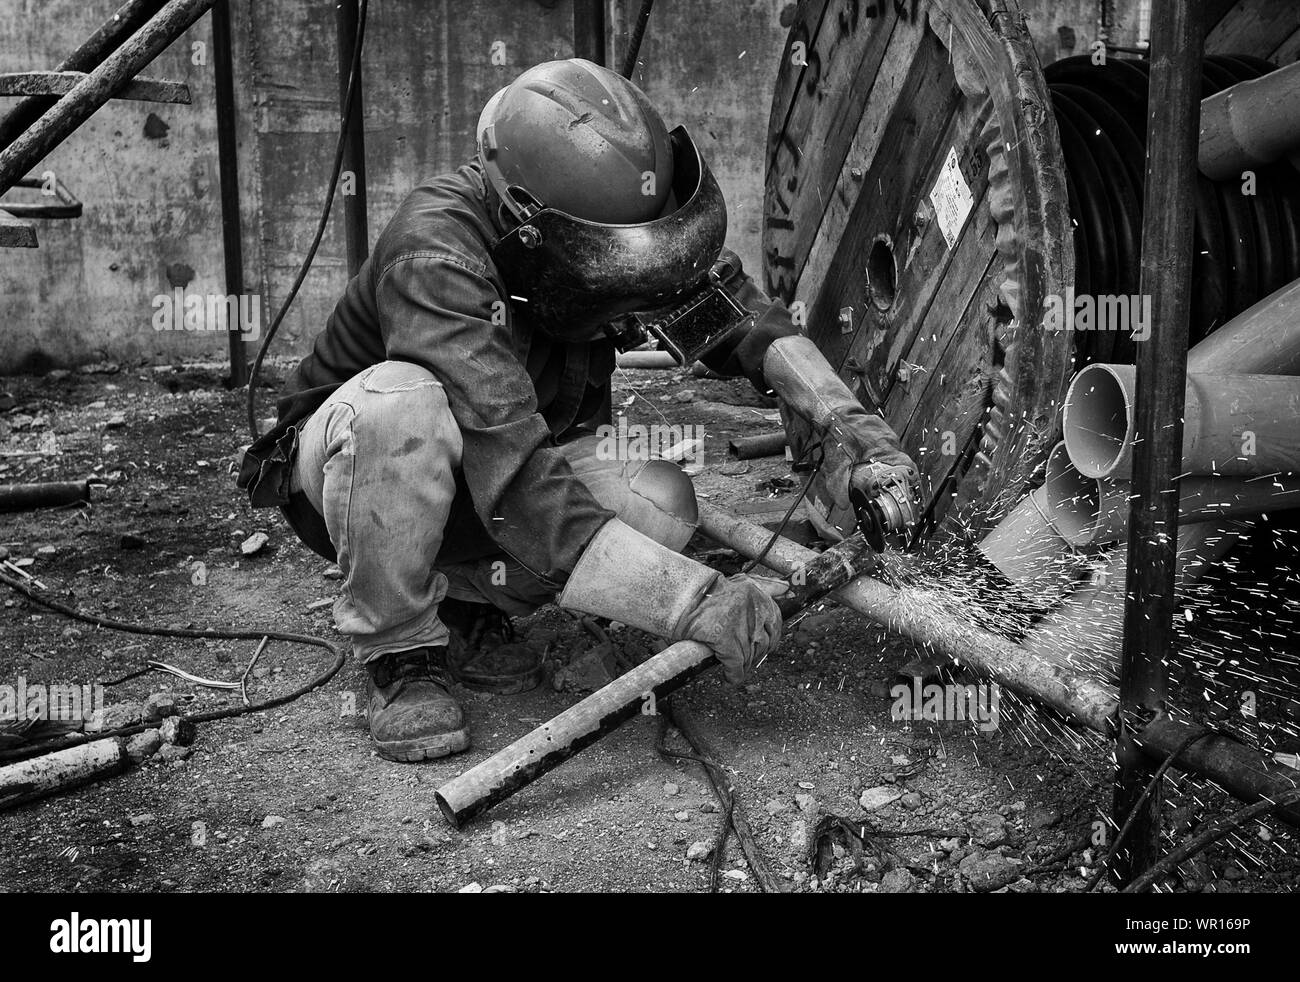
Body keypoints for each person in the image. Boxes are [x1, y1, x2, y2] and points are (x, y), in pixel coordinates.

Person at [238, 58, 917, 762]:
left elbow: (740, 319)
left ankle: (472, 603)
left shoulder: (623, 222)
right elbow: (518, 470)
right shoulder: (437, 252)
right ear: (528, 225)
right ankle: (398, 648)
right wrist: (692, 600)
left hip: (497, 477)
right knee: (398, 411)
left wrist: (850, 426)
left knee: (663, 502)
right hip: (362, 475)